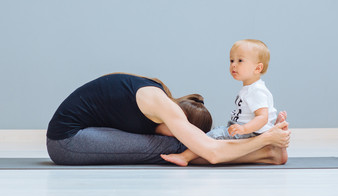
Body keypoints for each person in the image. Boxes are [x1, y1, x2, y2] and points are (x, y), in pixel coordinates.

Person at [46, 72, 290, 166]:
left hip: (82, 133)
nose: (176, 132)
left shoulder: (159, 97)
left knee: (185, 146)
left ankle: (268, 154)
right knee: (180, 148)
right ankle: (267, 152)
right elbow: (212, 153)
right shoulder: (164, 107)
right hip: (67, 142)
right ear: (182, 118)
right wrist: (265, 138)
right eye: (182, 129)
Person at [161, 39, 288, 166]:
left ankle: (184, 157)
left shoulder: (256, 91)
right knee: (217, 133)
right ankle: (273, 134)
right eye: (232, 60)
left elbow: (262, 117)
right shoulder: (251, 88)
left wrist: (244, 129)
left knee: (212, 138)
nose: (233, 65)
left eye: (240, 61)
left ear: (257, 68)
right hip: (243, 128)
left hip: (250, 131)